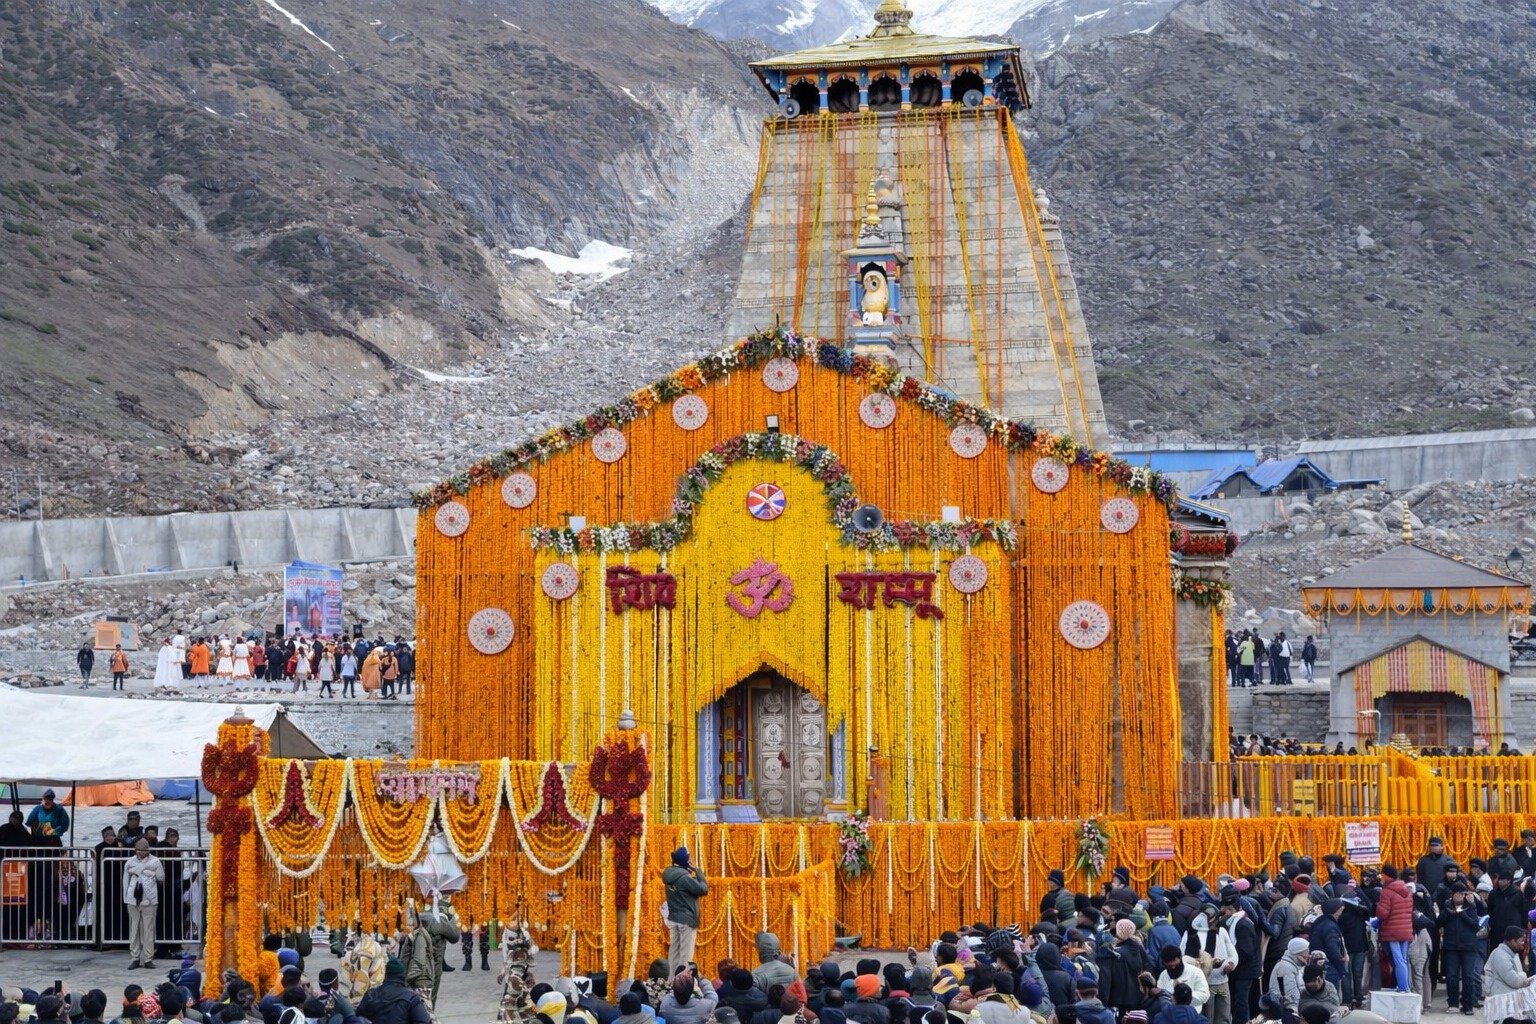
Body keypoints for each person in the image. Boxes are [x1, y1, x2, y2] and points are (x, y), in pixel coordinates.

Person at [664, 846, 709, 974]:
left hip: (673, 919)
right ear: (686, 862)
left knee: (674, 953)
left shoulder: (668, 874)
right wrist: (697, 871)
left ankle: (671, 981)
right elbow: (703, 889)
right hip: (687, 920)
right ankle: (682, 983)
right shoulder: (684, 877)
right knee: (685, 955)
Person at [124, 837, 164, 969]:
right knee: (134, 929)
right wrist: (126, 898)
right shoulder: (130, 862)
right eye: (137, 849)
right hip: (133, 899)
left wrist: (145, 871)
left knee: (148, 930)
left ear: (148, 850)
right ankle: (135, 957)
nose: (139, 852)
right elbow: (125, 881)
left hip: (150, 899)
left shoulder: (155, 861)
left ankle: (148, 958)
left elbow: (161, 878)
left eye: (142, 850)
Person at [356, 959, 431, 1024]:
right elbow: (424, 1022)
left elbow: (357, 1017)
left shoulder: (370, 994)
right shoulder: (411, 998)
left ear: (386, 974)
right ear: (403, 975)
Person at [1483, 926, 1533, 1023]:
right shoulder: (1500, 955)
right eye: (1521, 941)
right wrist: (1524, 975)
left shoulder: (1512, 954)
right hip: (1502, 1003)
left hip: (1510, 1000)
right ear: (1512, 941)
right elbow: (1516, 981)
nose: (1523, 944)